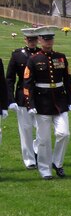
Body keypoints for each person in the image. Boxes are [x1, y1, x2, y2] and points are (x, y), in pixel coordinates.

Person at [22, 26, 71, 180]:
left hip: (59, 101)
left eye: (50, 38)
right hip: (42, 102)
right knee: (44, 139)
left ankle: (57, 162)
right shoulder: (33, 59)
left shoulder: (60, 57)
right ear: (39, 40)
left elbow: (68, 80)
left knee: (64, 133)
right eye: (45, 39)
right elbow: (28, 84)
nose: (48, 41)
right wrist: (30, 104)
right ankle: (45, 169)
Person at [7, 27, 40, 169]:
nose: (32, 42)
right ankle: (29, 159)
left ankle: (38, 151)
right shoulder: (17, 55)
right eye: (29, 39)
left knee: (41, 129)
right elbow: (10, 79)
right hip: (22, 96)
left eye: (34, 39)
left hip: (39, 96)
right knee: (25, 130)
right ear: (25, 39)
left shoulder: (41, 54)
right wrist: (10, 99)